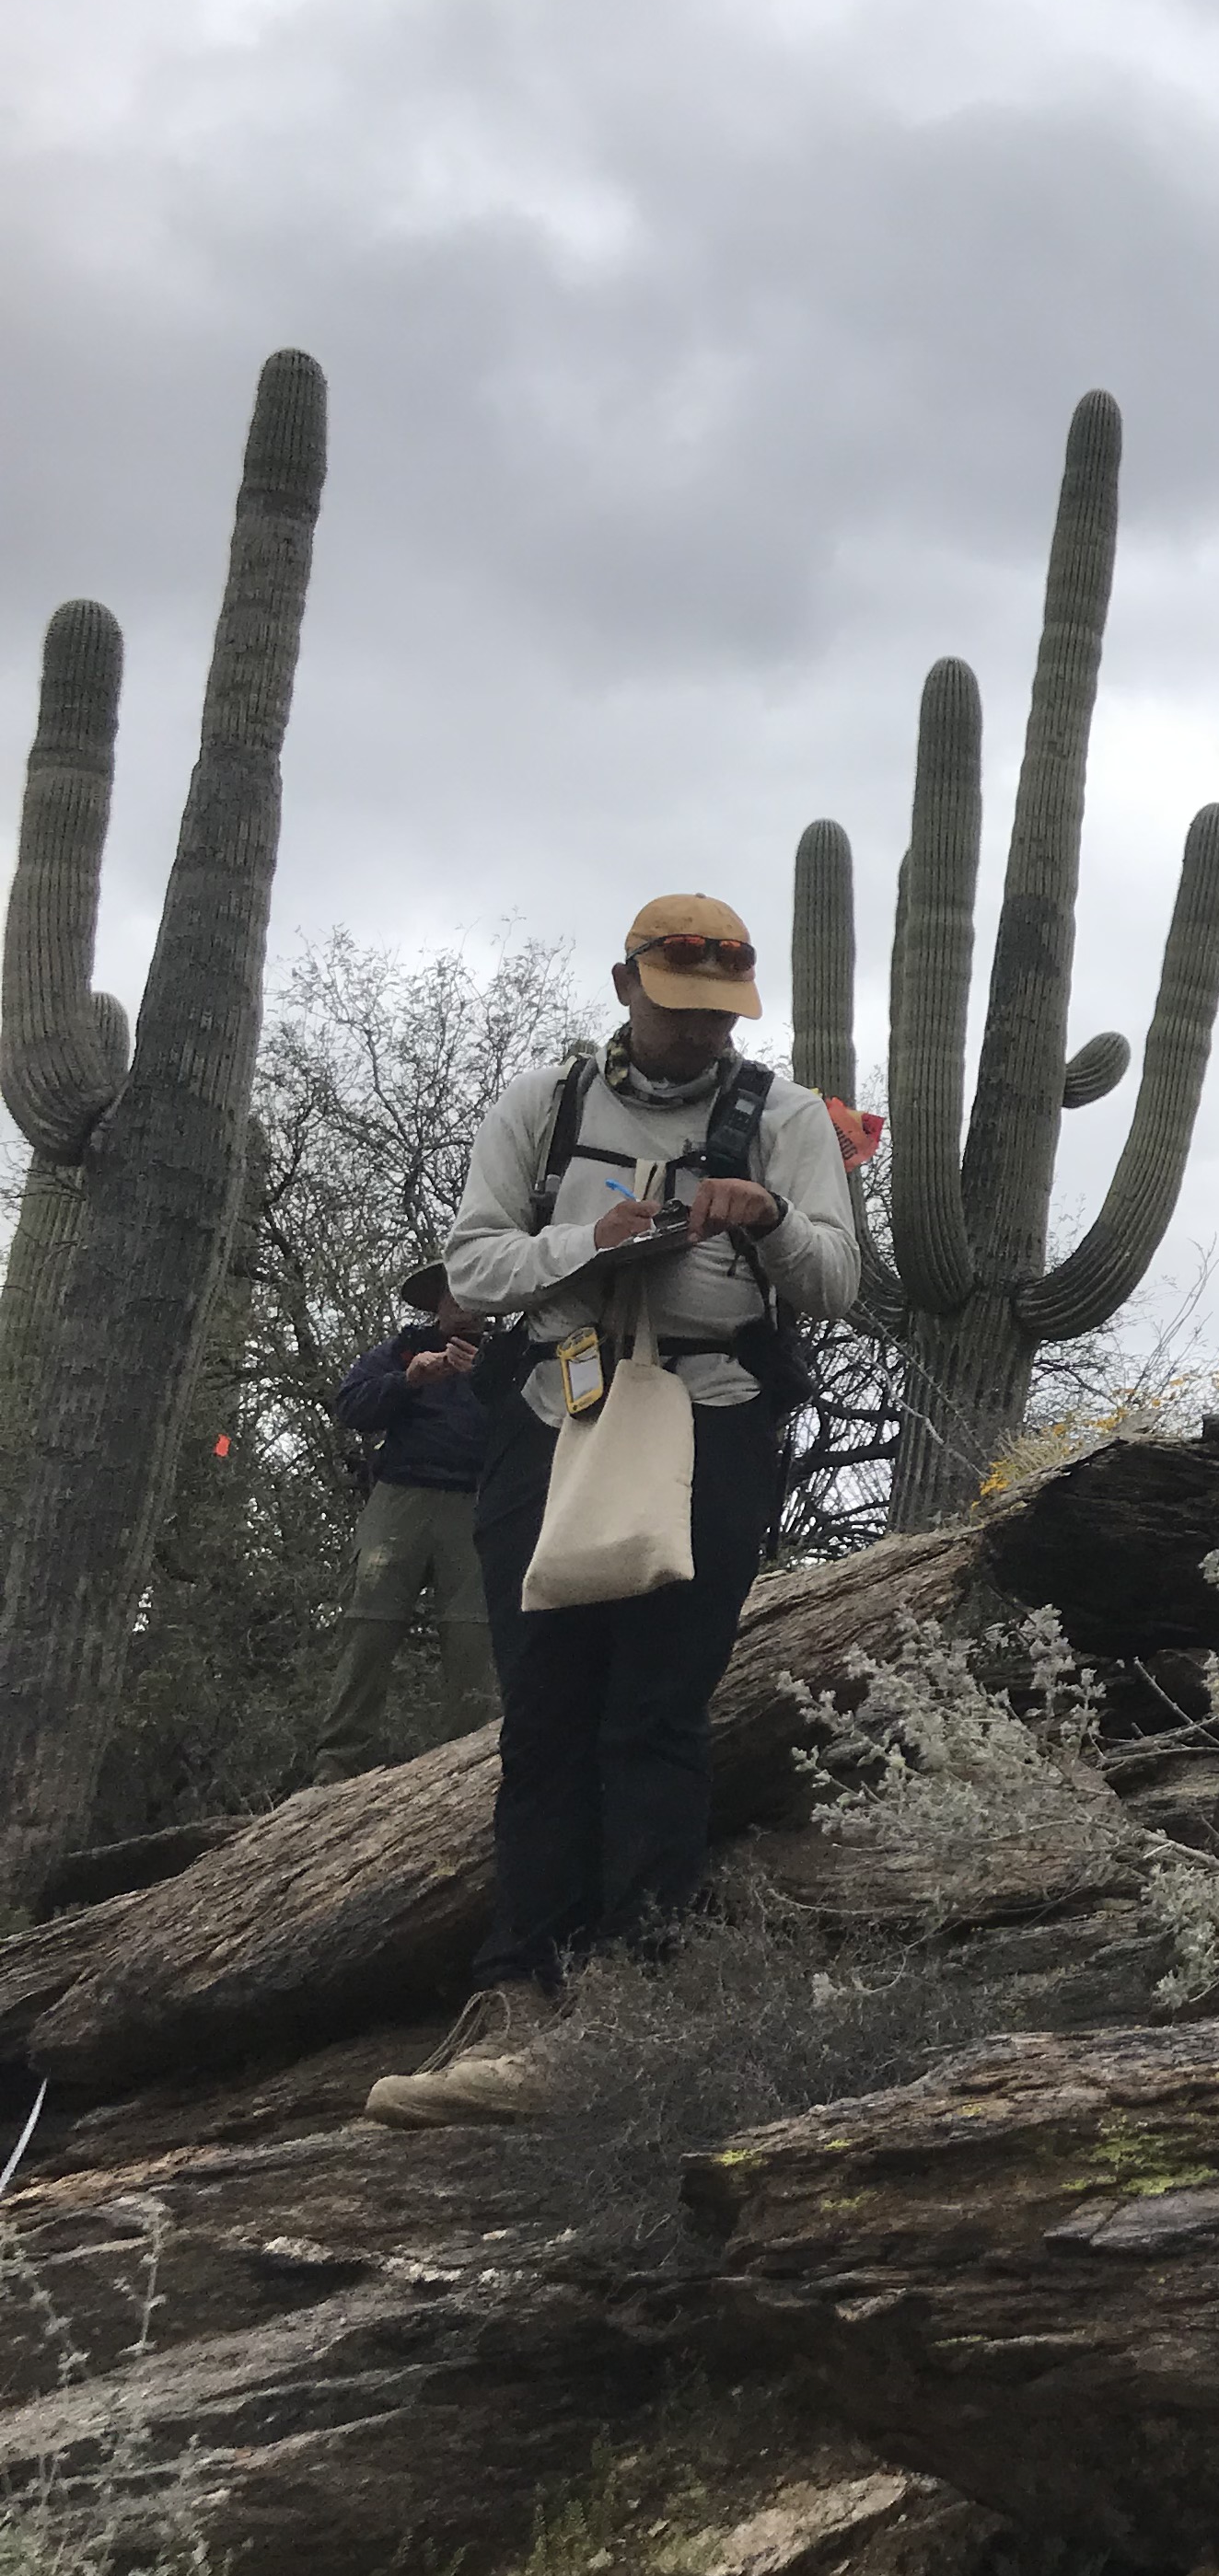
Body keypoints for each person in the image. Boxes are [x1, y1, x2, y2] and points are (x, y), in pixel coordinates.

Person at [364, 894, 858, 2128]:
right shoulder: (544, 1105)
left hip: (713, 1416)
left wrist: (775, 1219)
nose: (697, 1035)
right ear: (627, 987)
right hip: (551, 1411)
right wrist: (587, 1245)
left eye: (717, 1016)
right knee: (544, 1715)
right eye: (677, 1009)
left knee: (656, 1711)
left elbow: (840, 1278)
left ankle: (637, 2010)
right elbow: (471, 1265)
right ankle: (518, 1999)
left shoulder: (785, 1117)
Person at [299, 1259, 497, 1789]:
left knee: (474, 1638)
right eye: (454, 1293)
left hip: (476, 1506)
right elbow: (350, 1405)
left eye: (476, 1292)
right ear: (437, 1301)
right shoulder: (404, 1349)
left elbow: (540, 1421)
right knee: (370, 1625)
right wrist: (408, 1381)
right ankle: (337, 1764)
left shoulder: (509, 1357)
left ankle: (472, 1764)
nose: (464, 1303)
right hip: (400, 1499)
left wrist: (487, 1383)